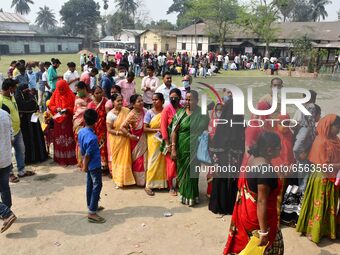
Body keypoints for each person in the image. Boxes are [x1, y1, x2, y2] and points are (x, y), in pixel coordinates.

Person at [223, 131, 284, 255]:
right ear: (269, 150)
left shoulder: (253, 157)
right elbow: (261, 201)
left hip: (247, 212)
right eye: (279, 147)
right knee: (265, 248)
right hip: (259, 220)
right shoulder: (265, 171)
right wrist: (263, 232)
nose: (281, 149)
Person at [296, 114, 340, 243]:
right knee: (319, 205)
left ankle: (326, 230)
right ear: (328, 126)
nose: (338, 130)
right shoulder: (321, 141)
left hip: (333, 177)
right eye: (336, 127)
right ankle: (314, 232)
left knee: (328, 205)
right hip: (322, 178)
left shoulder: (335, 140)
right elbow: (324, 166)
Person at [170, 90, 209, 206]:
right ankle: (184, 195)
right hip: (182, 147)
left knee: (193, 173)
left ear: (196, 101)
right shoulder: (180, 114)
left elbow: (208, 128)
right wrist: (173, 148)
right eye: (186, 99)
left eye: (190, 99)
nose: (187, 102)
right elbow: (174, 132)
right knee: (183, 171)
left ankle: (192, 196)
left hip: (196, 147)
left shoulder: (202, 113)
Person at [208, 99, 245, 215]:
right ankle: (223, 206)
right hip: (225, 157)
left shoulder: (236, 123)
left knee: (228, 180)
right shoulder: (227, 124)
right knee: (223, 180)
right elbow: (216, 144)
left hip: (232, 157)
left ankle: (226, 206)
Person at [0, 79, 34, 183]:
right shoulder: (1, 101)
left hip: (17, 130)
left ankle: (22, 171)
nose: (16, 89)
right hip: (7, 133)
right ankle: (9, 174)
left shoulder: (12, 97)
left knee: (21, 151)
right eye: (14, 87)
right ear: (10, 88)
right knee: (8, 153)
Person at [78, 109, 106, 224]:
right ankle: (92, 212)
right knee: (97, 185)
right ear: (96, 121)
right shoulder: (93, 138)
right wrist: (85, 166)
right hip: (93, 165)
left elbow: (82, 149)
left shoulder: (81, 132)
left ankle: (91, 205)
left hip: (89, 163)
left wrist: (83, 163)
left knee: (90, 184)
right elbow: (89, 155)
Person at [106, 94, 135, 187]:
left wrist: (129, 130)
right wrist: (120, 133)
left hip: (126, 138)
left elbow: (132, 123)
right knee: (117, 159)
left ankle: (126, 179)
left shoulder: (126, 111)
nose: (120, 102)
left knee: (126, 159)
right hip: (116, 140)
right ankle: (118, 179)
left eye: (121, 100)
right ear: (113, 102)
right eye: (118, 101)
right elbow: (109, 130)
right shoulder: (110, 115)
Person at [15, 84, 48, 164]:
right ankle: (30, 158)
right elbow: (26, 106)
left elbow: (35, 106)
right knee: (27, 140)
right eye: (25, 90)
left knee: (37, 138)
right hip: (25, 124)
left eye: (27, 90)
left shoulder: (31, 96)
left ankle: (40, 156)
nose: (27, 92)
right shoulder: (18, 99)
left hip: (34, 122)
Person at [160, 88, 183, 195]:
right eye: (171, 97)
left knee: (179, 164)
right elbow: (163, 127)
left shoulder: (182, 109)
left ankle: (179, 184)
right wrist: (168, 144)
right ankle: (171, 186)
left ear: (180, 98)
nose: (173, 99)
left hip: (181, 141)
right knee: (171, 164)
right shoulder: (166, 110)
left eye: (176, 97)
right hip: (169, 141)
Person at [144, 93, 167, 196]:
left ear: (162, 101)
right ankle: (148, 185)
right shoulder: (149, 112)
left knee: (163, 162)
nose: (154, 101)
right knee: (152, 161)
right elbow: (145, 128)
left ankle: (161, 184)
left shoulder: (166, 111)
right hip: (153, 140)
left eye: (156, 99)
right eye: (153, 100)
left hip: (164, 140)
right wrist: (157, 129)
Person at [48, 80, 77, 165]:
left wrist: (67, 109)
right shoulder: (55, 94)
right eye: (59, 89)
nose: (61, 91)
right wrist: (56, 109)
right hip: (58, 121)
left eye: (62, 89)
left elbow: (74, 107)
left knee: (69, 138)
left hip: (68, 121)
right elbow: (51, 105)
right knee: (60, 139)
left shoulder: (71, 95)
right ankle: (61, 158)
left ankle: (70, 158)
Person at [121, 94, 147, 187]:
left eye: (142, 100)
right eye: (138, 101)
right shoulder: (131, 114)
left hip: (145, 139)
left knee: (145, 159)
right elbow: (122, 127)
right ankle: (139, 181)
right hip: (136, 140)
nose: (141, 103)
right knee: (138, 161)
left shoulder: (145, 111)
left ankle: (145, 180)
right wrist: (129, 135)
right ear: (133, 104)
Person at [0, 108, 17, 233]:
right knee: (4, 186)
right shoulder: (5, 114)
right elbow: (12, 136)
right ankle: (6, 211)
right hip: (6, 158)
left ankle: (6, 213)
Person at [88, 86, 109, 173]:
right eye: (97, 93)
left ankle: (105, 166)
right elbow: (88, 118)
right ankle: (97, 166)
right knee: (96, 147)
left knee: (105, 147)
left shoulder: (106, 102)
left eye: (100, 92)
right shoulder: (90, 105)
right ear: (92, 94)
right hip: (95, 130)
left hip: (104, 129)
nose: (99, 94)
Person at [73, 82, 92, 168]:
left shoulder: (91, 98)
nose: (77, 92)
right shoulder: (77, 97)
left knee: (87, 142)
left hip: (87, 122)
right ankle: (80, 161)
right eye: (76, 91)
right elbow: (75, 110)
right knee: (79, 141)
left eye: (78, 90)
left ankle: (87, 162)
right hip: (78, 123)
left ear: (84, 89)